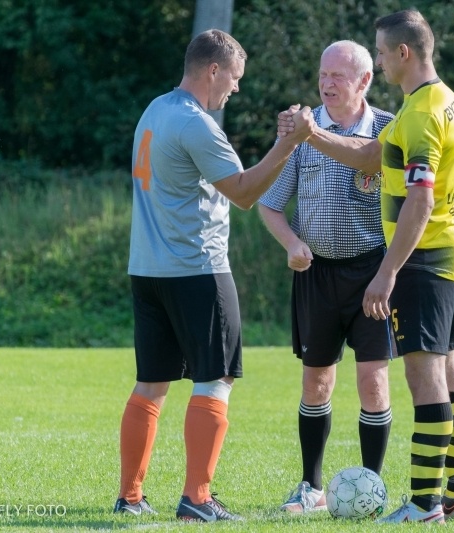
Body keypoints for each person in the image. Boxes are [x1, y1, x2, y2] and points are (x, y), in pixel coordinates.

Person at [279, 9, 454, 524]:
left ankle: (424, 503)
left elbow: (419, 200)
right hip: (451, 252)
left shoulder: (417, 117)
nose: (383, 63)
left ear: (403, 54)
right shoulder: (442, 100)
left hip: (423, 261)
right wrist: (312, 136)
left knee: (424, 377)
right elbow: (372, 157)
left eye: (384, 53)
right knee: (450, 368)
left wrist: (389, 271)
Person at [114, 29, 311, 522]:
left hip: (148, 270)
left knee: (151, 384)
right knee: (215, 379)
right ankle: (197, 499)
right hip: (197, 269)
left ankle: (130, 498)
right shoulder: (197, 124)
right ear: (213, 70)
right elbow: (244, 193)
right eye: (235, 78)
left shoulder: (154, 111)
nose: (236, 89)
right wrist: (289, 144)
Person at [258, 40, 395, 514]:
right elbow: (270, 204)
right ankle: (310, 488)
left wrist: (392, 270)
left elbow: (397, 191)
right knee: (316, 382)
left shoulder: (388, 130)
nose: (328, 84)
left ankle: (372, 489)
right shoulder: (300, 132)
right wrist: (293, 244)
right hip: (317, 275)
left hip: (373, 273)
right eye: (322, 75)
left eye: (338, 75)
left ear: (364, 81)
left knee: (373, 383)